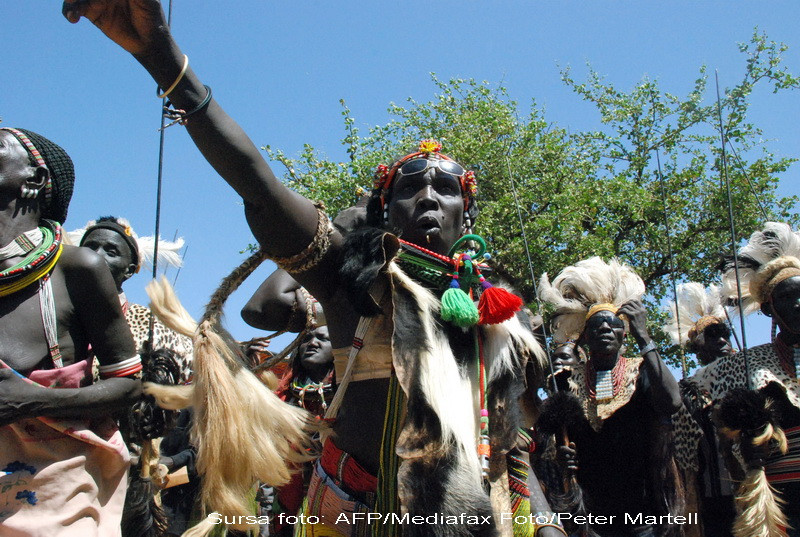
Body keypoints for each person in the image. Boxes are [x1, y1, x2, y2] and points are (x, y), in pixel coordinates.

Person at [61, 2, 562, 535]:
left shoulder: (506, 316)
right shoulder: (351, 279)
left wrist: (548, 521)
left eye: (444, 188)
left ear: (468, 212)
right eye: (410, 187)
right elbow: (259, 186)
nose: (428, 197)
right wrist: (167, 64)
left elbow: (511, 446)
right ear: (383, 210)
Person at [0, 127, 142, 535]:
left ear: (35, 180)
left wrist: (32, 401)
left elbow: (129, 386)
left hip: (52, 496)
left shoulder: (77, 269)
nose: (102, 254)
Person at [537, 257, 684, 537]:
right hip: (591, 518)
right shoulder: (567, 383)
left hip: (643, 515)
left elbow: (671, 402)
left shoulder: (641, 372)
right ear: (584, 337)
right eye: (596, 326)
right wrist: (562, 454)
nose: (605, 329)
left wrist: (645, 338)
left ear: (624, 334)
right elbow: (548, 442)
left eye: (613, 325)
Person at [692, 222, 800, 537]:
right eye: (786, 298)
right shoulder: (744, 367)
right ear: (768, 309)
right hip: (782, 508)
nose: (797, 305)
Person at [70, 216, 193, 384]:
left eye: (111, 252)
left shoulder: (151, 326)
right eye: (90, 248)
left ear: (129, 270)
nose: (96, 256)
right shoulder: (50, 311)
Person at [664, 282, 736, 537]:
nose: (722, 341)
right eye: (713, 336)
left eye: (724, 334)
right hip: (710, 493)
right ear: (697, 347)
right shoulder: (687, 389)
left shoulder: (749, 374)